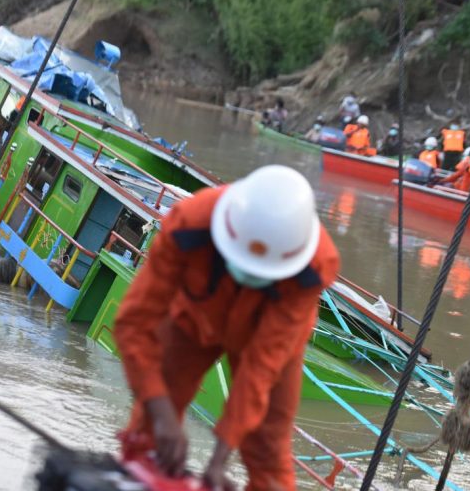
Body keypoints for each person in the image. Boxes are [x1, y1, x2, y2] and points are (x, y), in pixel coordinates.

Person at [113, 165, 340, 491]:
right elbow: (134, 323)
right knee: (151, 425)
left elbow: (261, 368)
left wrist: (219, 458)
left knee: (267, 447)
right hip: (191, 321)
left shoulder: (314, 268)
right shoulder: (187, 224)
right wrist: (161, 413)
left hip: (268, 338)